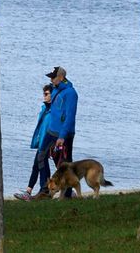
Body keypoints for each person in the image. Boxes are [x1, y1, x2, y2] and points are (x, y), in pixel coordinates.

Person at [41, 66, 78, 197]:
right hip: (51, 131)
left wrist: (62, 136)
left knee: (65, 164)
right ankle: (45, 190)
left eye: (53, 77)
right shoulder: (56, 89)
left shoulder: (71, 93)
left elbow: (70, 117)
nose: (51, 80)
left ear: (61, 77)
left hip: (64, 134)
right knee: (41, 157)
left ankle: (67, 193)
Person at [14, 84, 54, 200]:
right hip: (41, 142)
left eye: (47, 94)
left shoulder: (53, 111)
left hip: (47, 143)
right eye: (44, 94)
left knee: (41, 165)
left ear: (52, 95)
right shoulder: (45, 109)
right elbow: (41, 127)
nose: (44, 96)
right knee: (36, 166)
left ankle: (44, 190)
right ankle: (31, 190)